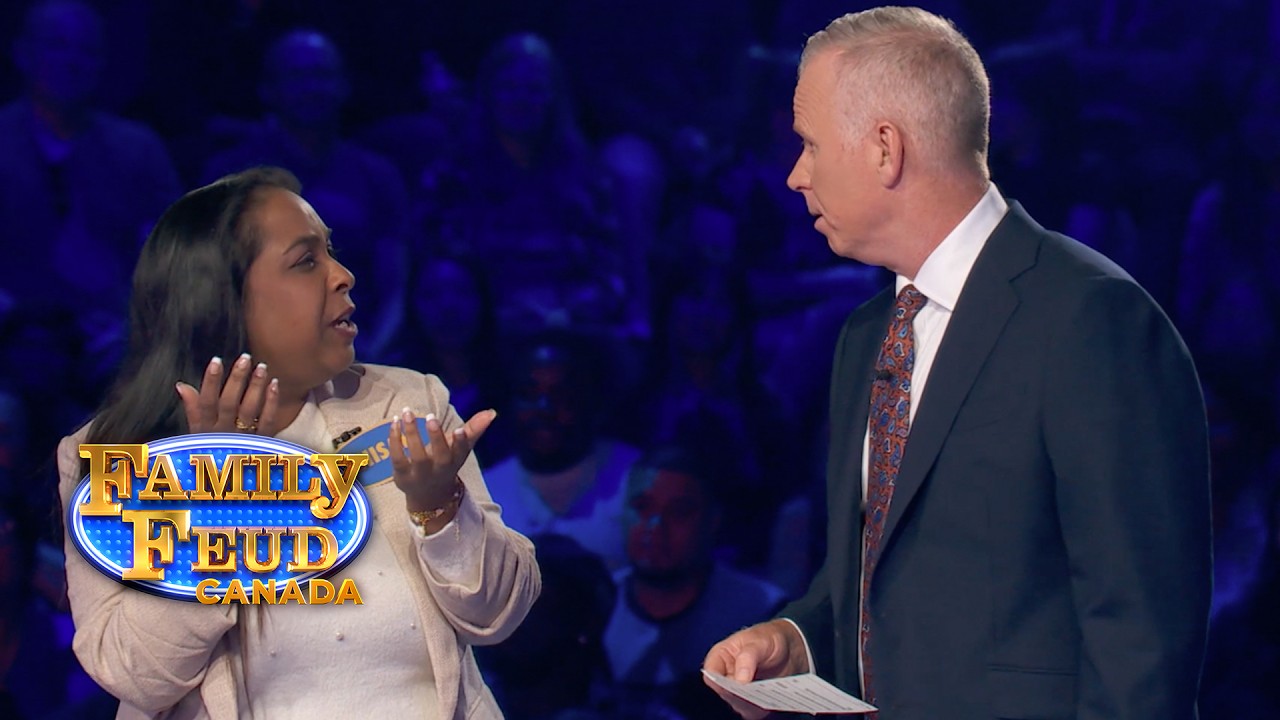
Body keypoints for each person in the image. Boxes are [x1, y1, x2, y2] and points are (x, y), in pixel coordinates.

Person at [703, 7, 1211, 720]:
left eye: (810, 145)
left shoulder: (1092, 319)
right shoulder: (866, 335)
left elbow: (1141, 641)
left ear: (885, 148)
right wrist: (799, 639)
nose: (795, 175)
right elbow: (885, 582)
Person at [56, 167, 540, 719]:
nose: (344, 276)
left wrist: (441, 510)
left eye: (331, 253)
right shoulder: (114, 454)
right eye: (306, 261)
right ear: (223, 300)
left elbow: (500, 612)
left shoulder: (406, 403)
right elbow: (134, 673)